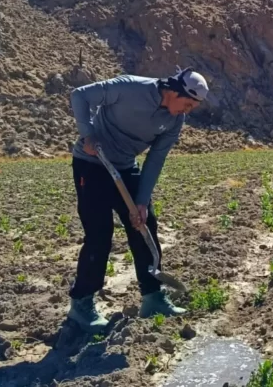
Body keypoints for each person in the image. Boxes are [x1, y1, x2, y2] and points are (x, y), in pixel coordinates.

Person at [67, 67, 209, 333]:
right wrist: (88, 134)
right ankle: (81, 304)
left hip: (124, 167)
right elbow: (80, 95)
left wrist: (142, 201)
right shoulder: (131, 87)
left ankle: (153, 297)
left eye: (193, 107)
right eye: (187, 103)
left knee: (145, 225)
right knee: (99, 234)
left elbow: (155, 160)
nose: (187, 110)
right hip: (91, 163)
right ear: (173, 91)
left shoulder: (175, 121)